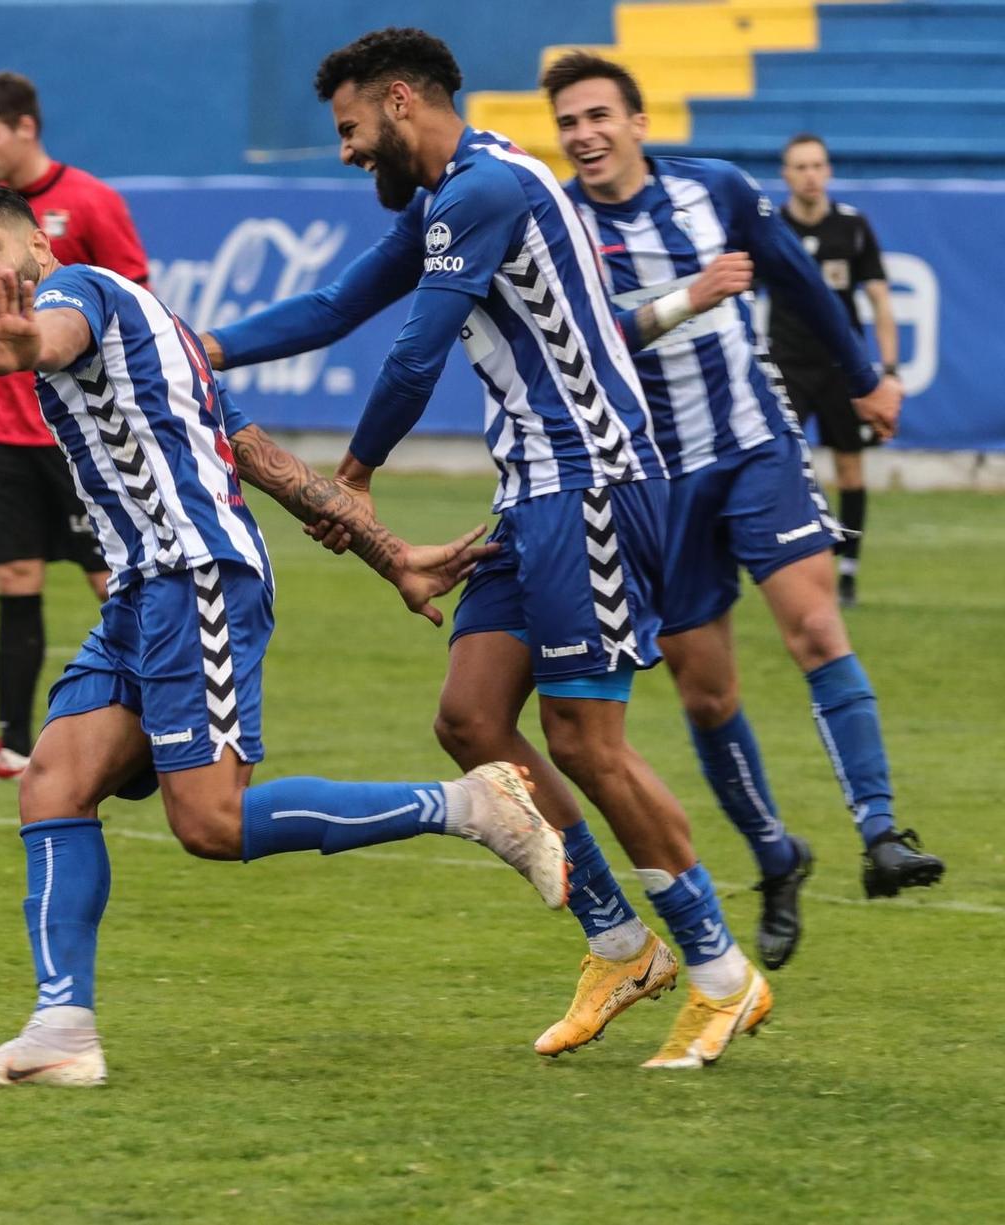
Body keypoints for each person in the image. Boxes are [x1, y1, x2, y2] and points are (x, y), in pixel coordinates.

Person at [0, 180, 569, 1088]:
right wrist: (393, 556)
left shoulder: (79, 296)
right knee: (53, 781)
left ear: (39, 239)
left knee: (212, 823)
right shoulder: (160, 328)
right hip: (144, 593)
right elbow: (253, 452)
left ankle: (472, 806)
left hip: (197, 584)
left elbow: (53, 329)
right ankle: (62, 1030)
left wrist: (26, 341)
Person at [206, 28, 770, 1069]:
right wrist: (209, 344)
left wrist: (357, 476)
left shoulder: (483, 189)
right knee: (468, 720)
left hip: (592, 483)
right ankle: (616, 943)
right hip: (532, 493)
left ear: (401, 101)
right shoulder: (448, 196)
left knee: (584, 741)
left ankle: (720, 972)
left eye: (347, 130)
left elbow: (416, 352)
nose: (343, 153)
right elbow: (335, 307)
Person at [539, 52, 944, 969]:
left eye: (599, 115)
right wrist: (690, 294)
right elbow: (595, 328)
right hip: (657, 476)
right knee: (706, 689)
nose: (585, 134)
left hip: (755, 444)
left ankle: (881, 832)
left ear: (640, 123)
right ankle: (776, 855)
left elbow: (797, 278)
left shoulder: (714, 188)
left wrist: (865, 378)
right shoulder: (559, 225)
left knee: (812, 625)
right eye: (568, 123)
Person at [0, 72, 152, 784]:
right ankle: (9, 745)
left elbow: (131, 302)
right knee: (14, 575)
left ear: (26, 128)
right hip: (4, 433)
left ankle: (160, 724)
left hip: (78, 436)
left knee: (113, 580)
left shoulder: (89, 202)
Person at [770, 133, 901, 609]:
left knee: (850, 466)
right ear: (785, 174)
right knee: (783, 466)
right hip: (787, 361)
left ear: (828, 171)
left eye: (817, 165)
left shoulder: (852, 227)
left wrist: (887, 369)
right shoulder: (771, 227)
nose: (809, 174)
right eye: (799, 166)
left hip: (841, 366)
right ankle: (793, 564)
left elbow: (881, 302)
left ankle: (848, 571)